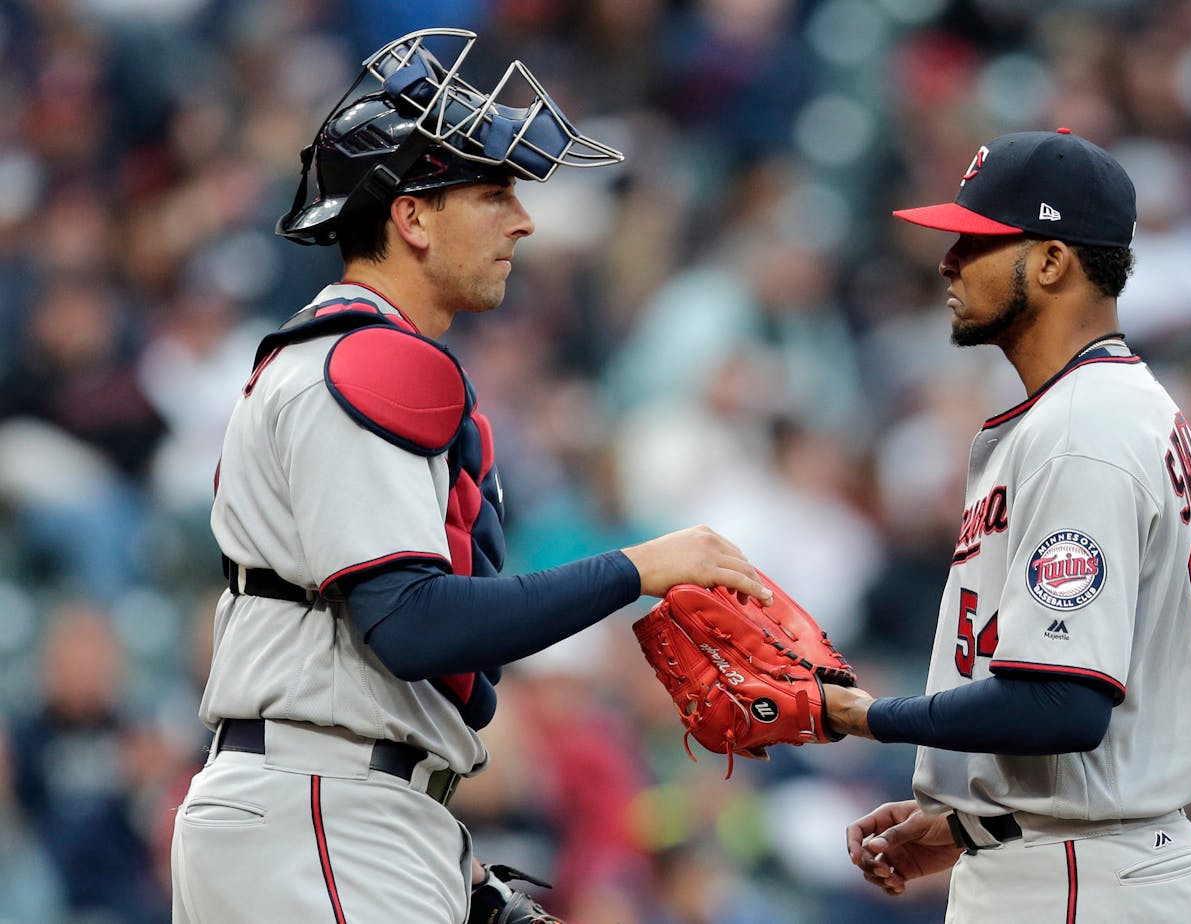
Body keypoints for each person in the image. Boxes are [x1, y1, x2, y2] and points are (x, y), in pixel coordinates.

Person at [168, 28, 769, 924]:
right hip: (324, 811)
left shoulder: (335, 355)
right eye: (492, 193)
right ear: (411, 216)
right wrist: (638, 568)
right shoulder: (366, 362)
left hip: (332, 807)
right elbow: (409, 624)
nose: (522, 219)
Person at [823, 128, 1191, 921]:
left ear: (1050, 262)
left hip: (1081, 876)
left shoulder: (1086, 428)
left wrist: (866, 716)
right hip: (1089, 856)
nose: (947, 260)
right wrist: (975, 822)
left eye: (976, 240)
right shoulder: (1114, 408)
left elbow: (1061, 704)